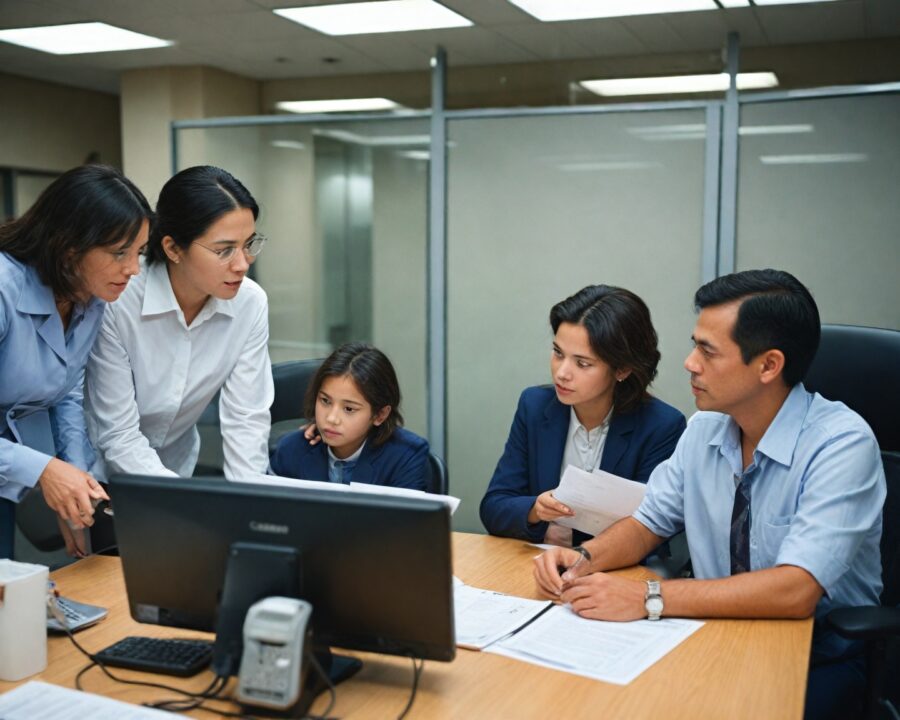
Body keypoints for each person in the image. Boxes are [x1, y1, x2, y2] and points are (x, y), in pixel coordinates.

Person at [533, 269, 884, 720]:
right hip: (709, 631)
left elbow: (795, 590)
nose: (689, 363)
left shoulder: (841, 445)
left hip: (817, 653)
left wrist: (647, 599)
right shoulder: (704, 429)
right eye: (695, 344)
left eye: (708, 351)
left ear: (768, 365)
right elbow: (647, 523)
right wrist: (585, 560)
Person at [0, 164, 152, 558]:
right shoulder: (3, 290)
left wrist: (77, 480)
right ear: (69, 248)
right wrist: (46, 471)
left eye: (138, 253)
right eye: (120, 253)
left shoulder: (89, 296)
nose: (133, 269)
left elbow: (66, 392)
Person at [85, 166, 274, 483]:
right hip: (98, 474)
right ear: (173, 248)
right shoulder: (119, 299)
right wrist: (180, 501)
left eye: (248, 245)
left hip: (177, 467)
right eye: (224, 250)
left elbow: (246, 420)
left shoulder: (250, 303)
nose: (242, 265)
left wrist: (249, 503)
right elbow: (118, 435)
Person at [480, 285, 686, 546]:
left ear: (622, 369)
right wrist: (535, 510)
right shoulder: (534, 406)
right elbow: (494, 507)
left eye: (582, 363)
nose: (562, 373)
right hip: (538, 565)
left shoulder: (661, 426)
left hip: (614, 575)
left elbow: (653, 528)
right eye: (558, 353)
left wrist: (569, 536)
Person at [269, 342, 429, 491]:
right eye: (325, 401)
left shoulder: (405, 456)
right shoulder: (291, 450)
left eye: (349, 409)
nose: (331, 418)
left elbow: (404, 521)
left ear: (380, 414)